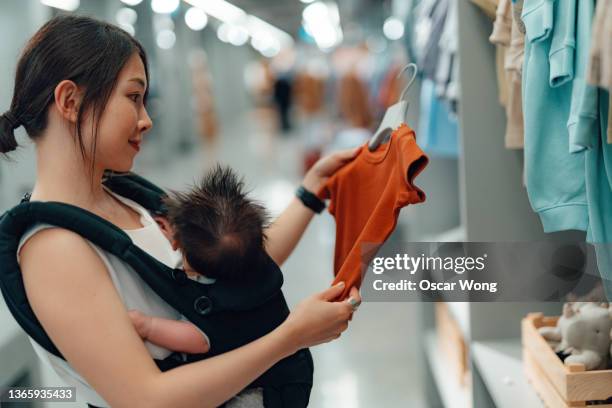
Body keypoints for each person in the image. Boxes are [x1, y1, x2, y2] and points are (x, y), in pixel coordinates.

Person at [0, 15, 361, 407]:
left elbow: (225, 270)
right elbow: (148, 399)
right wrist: (291, 337)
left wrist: (312, 191)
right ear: (70, 101)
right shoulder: (55, 249)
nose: (146, 119)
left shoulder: (131, 199)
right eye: (133, 97)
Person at [128, 164, 271, 355]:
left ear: (177, 245)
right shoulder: (247, 264)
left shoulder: (212, 302)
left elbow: (199, 339)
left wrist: (149, 326)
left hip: (258, 384)